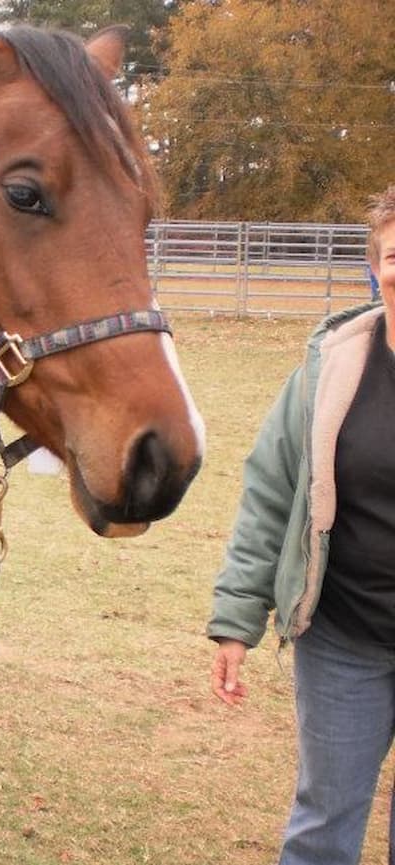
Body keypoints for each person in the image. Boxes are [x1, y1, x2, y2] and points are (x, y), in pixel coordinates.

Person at [208, 183, 395, 865]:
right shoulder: (330, 369)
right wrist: (237, 620)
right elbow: (269, 493)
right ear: (374, 267)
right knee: (323, 825)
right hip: (345, 639)